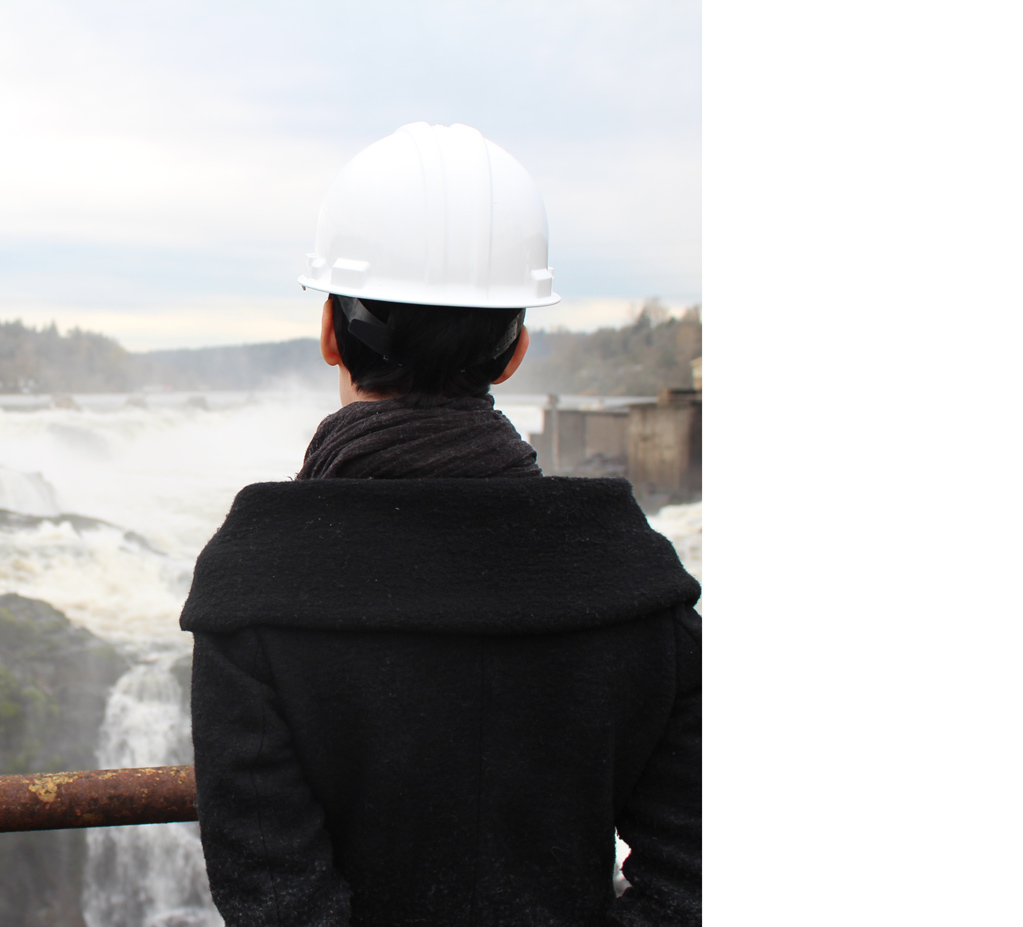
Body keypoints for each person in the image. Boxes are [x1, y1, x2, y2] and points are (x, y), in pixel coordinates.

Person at [182, 123, 702, 926]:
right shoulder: (639, 585)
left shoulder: (252, 590)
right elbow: (696, 874)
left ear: (330, 334)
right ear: (516, 349)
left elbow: (277, 900)